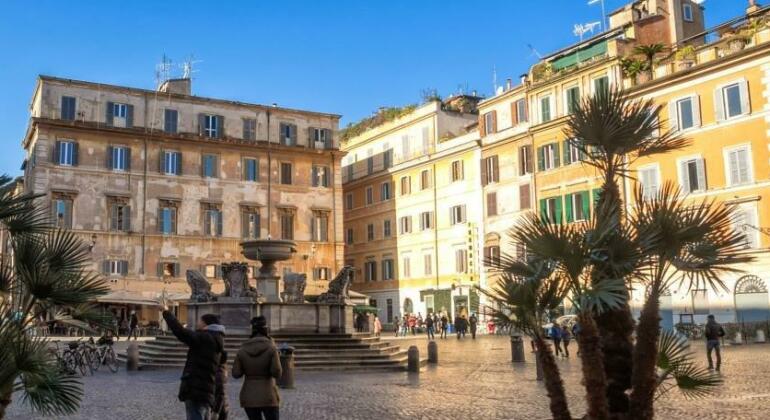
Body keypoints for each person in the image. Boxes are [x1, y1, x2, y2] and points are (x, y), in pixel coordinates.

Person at [160, 305, 225, 420]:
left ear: (206, 324)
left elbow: (181, 332)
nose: (197, 323)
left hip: (196, 389)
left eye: (200, 321)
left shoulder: (205, 338)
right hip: (206, 390)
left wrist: (166, 312)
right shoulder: (215, 339)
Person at [232, 316, 282, 420]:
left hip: (249, 395)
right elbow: (276, 372)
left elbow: (236, 373)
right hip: (268, 394)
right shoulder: (271, 349)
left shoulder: (242, 350)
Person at [212, 351, 229, 420]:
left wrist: (216, 412)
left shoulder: (219, 373)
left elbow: (221, 394)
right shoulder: (223, 369)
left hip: (220, 409)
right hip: (222, 407)